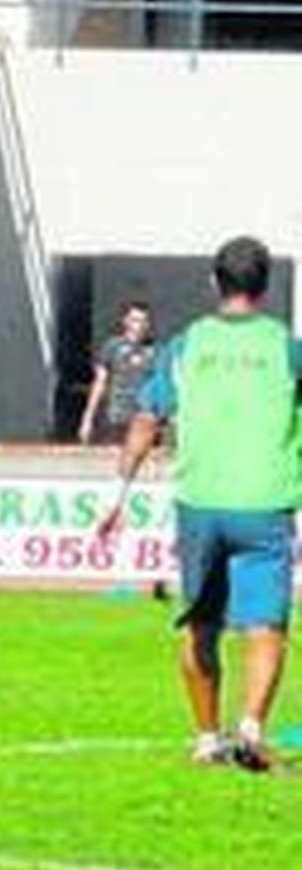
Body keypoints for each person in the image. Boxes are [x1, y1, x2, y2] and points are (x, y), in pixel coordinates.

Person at [98, 237, 302, 772]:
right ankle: (252, 728)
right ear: (265, 287)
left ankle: (208, 737)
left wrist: (117, 495)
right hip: (266, 502)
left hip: (200, 503)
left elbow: (146, 419)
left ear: (214, 283)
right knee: (266, 625)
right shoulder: (286, 347)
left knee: (201, 624)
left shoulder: (186, 346)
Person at [79, 300, 155, 446]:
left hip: (142, 421)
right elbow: (99, 383)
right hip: (116, 420)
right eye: (135, 320)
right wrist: (87, 419)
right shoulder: (112, 347)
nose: (139, 325)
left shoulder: (154, 350)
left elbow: (160, 387)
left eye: (144, 321)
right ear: (125, 321)